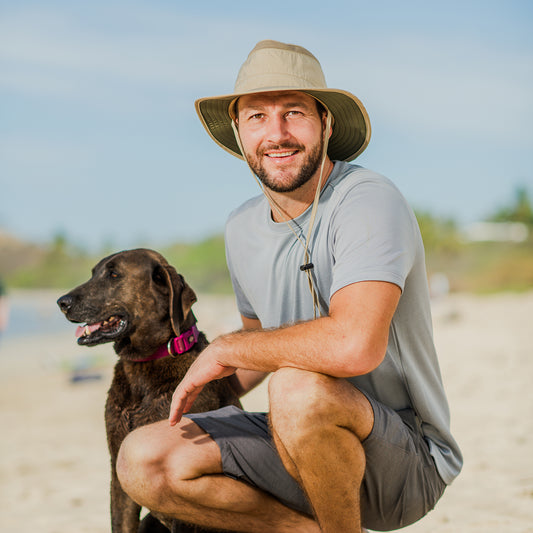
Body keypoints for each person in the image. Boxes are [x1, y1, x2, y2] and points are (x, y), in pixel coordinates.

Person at [117, 40, 462, 533]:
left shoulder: (367, 200)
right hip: (296, 446)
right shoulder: (241, 227)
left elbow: (355, 347)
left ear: (326, 122)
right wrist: (168, 383)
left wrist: (230, 347)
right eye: (257, 117)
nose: (276, 134)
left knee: (298, 388)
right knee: (143, 459)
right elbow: (259, 351)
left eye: (293, 112)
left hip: (404, 462)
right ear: (238, 132)